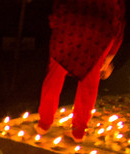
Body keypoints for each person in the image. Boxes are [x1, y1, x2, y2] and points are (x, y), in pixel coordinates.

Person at [37, 0, 125, 141]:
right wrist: (109, 57)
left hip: (70, 27)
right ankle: (78, 132)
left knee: (55, 75)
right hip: (99, 31)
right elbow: (118, 18)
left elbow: (59, 6)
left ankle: (44, 124)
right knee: (89, 83)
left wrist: (56, 23)